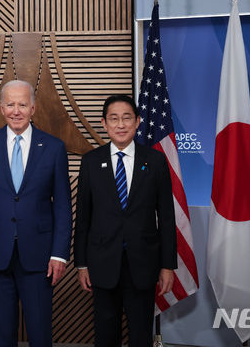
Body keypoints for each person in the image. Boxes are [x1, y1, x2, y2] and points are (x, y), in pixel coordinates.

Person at [0, 79, 72, 347]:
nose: (16, 110)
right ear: (1, 108)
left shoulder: (54, 148)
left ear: (33, 108)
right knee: (1, 333)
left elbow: (61, 206)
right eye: (10, 104)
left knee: (39, 332)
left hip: (39, 256)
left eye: (22, 104)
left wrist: (59, 254)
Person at [74, 94, 176, 347]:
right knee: (105, 334)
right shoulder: (90, 161)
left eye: (127, 118)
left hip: (142, 263)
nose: (121, 125)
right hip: (102, 262)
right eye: (114, 119)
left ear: (138, 122)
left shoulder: (155, 161)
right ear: (104, 123)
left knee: (141, 334)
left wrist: (167, 266)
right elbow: (83, 217)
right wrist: (81, 264)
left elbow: (166, 216)